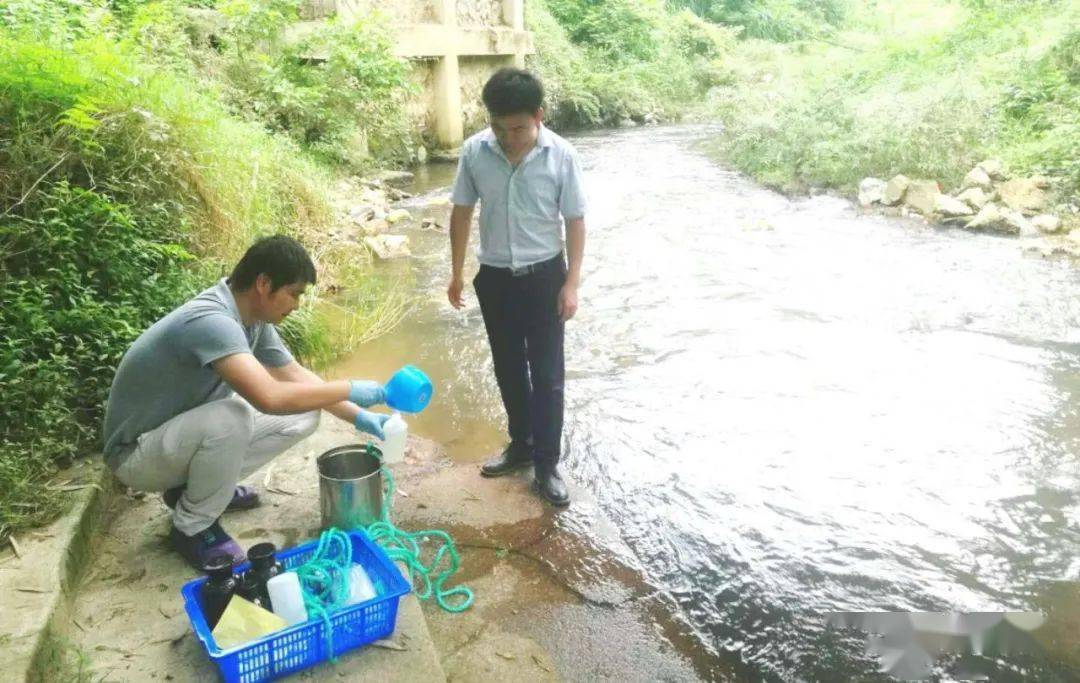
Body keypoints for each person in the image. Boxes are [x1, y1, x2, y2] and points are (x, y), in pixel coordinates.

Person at [103, 235, 390, 570]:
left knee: (305, 413)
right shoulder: (212, 322)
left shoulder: (252, 321)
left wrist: (360, 417)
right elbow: (269, 398)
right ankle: (193, 526)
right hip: (135, 454)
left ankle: (197, 493)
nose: (296, 304)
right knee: (233, 416)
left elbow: (297, 378)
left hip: (171, 439)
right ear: (263, 283)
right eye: (293, 293)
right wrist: (348, 386)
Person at [447, 67, 587, 507]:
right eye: (500, 128)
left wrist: (572, 283)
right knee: (508, 366)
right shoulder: (474, 152)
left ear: (539, 116)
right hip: (495, 278)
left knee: (547, 375)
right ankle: (520, 446)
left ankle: (547, 464)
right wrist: (455, 273)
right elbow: (462, 212)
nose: (510, 137)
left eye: (519, 128)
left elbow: (575, 220)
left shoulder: (561, 155)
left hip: (545, 276)